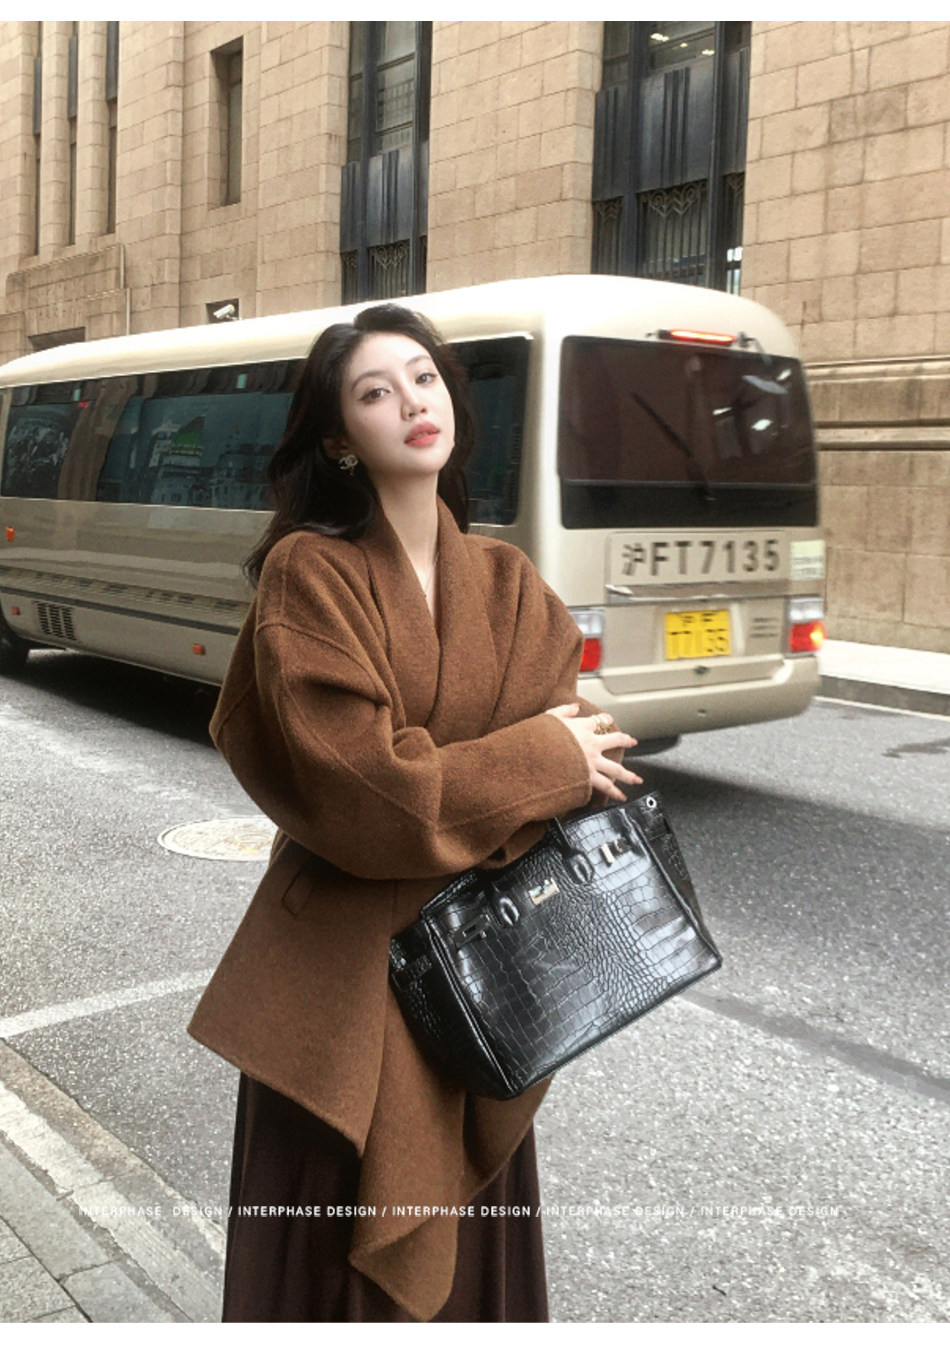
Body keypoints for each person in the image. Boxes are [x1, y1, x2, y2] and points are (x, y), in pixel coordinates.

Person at [188, 302, 640, 1322]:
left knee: (467, 1266)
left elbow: (583, 758)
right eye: (374, 392)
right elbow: (363, 792)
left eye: (424, 378)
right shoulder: (310, 574)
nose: (410, 402)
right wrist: (533, 761)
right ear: (339, 439)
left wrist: (521, 768)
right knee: (336, 1280)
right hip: (343, 995)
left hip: (484, 978)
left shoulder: (508, 581)